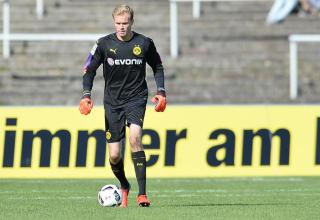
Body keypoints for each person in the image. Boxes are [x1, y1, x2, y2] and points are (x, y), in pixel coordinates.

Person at [79, 4, 166, 208]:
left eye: (125, 23)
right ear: (113, 22)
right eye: (118, 23)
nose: (121, 27)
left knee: (135, 137)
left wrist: (161, 91)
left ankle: (142, 195)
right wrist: (86, 95)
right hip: (112, 102)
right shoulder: (103, 44)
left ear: (132, 22)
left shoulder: (144, 43)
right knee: (115, 154)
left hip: (136, 98)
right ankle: (124, 185)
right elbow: (88, 70)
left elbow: (158, 66)